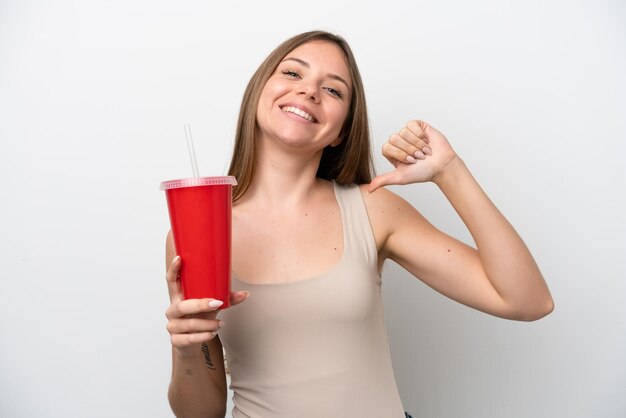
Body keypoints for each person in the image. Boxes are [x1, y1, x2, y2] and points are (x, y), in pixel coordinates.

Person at [163, 30, 554, 418]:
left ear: (342, 131)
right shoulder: (198, 232)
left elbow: (527, 301)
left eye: (333, 90)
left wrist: (450, 172)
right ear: (258, 93)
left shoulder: (372, 209)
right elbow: (201, 415)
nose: (310, 92)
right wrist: (187, 348)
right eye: (294, 74)